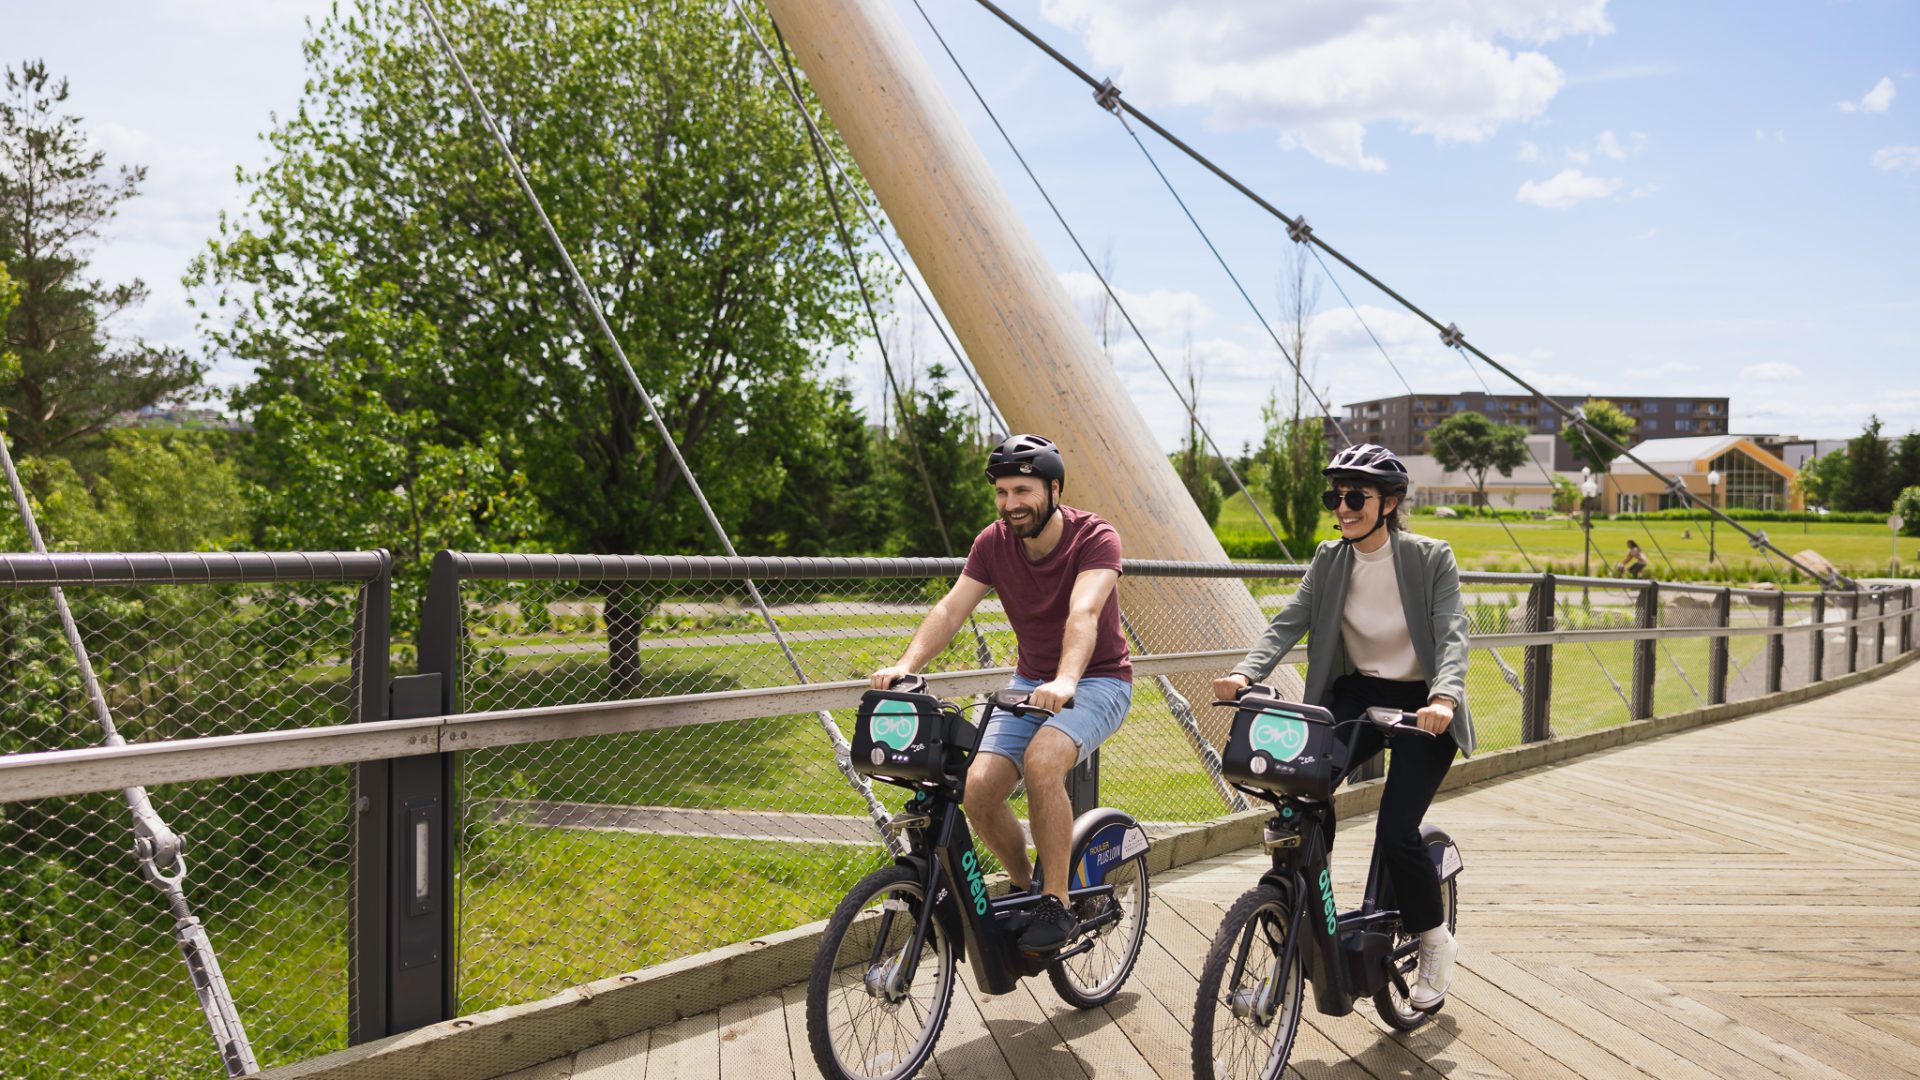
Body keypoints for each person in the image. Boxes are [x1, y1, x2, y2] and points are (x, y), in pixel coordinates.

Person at [1211, 443, 1471, 1011]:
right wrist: (1242, 671)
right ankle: (1304, 907)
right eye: (1337, 496)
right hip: (1357, 694)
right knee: (1300, 795)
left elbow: (1451, 633)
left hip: (1422, 704)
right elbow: (1288, 623)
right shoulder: (1330, 559)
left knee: (1397, 831)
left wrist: (1445, 696)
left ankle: (1434, 939)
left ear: (1390, 503)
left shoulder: (1430, 558)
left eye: (1356, 496)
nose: (1344, 506)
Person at [870, 433, 1132, 953]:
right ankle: (1026, 882)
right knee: (978, 789)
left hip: (1098, 678)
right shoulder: (993, 543)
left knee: (1042, 763)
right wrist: (904, 666)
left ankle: (1055, 901)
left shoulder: (1096, 537)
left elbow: (1083, 613)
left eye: (1023, 490)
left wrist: (1065, 680)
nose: (1011, 504)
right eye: (1002, 492)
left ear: (1054, 489)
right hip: (1029, 682)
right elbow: (950, 609)